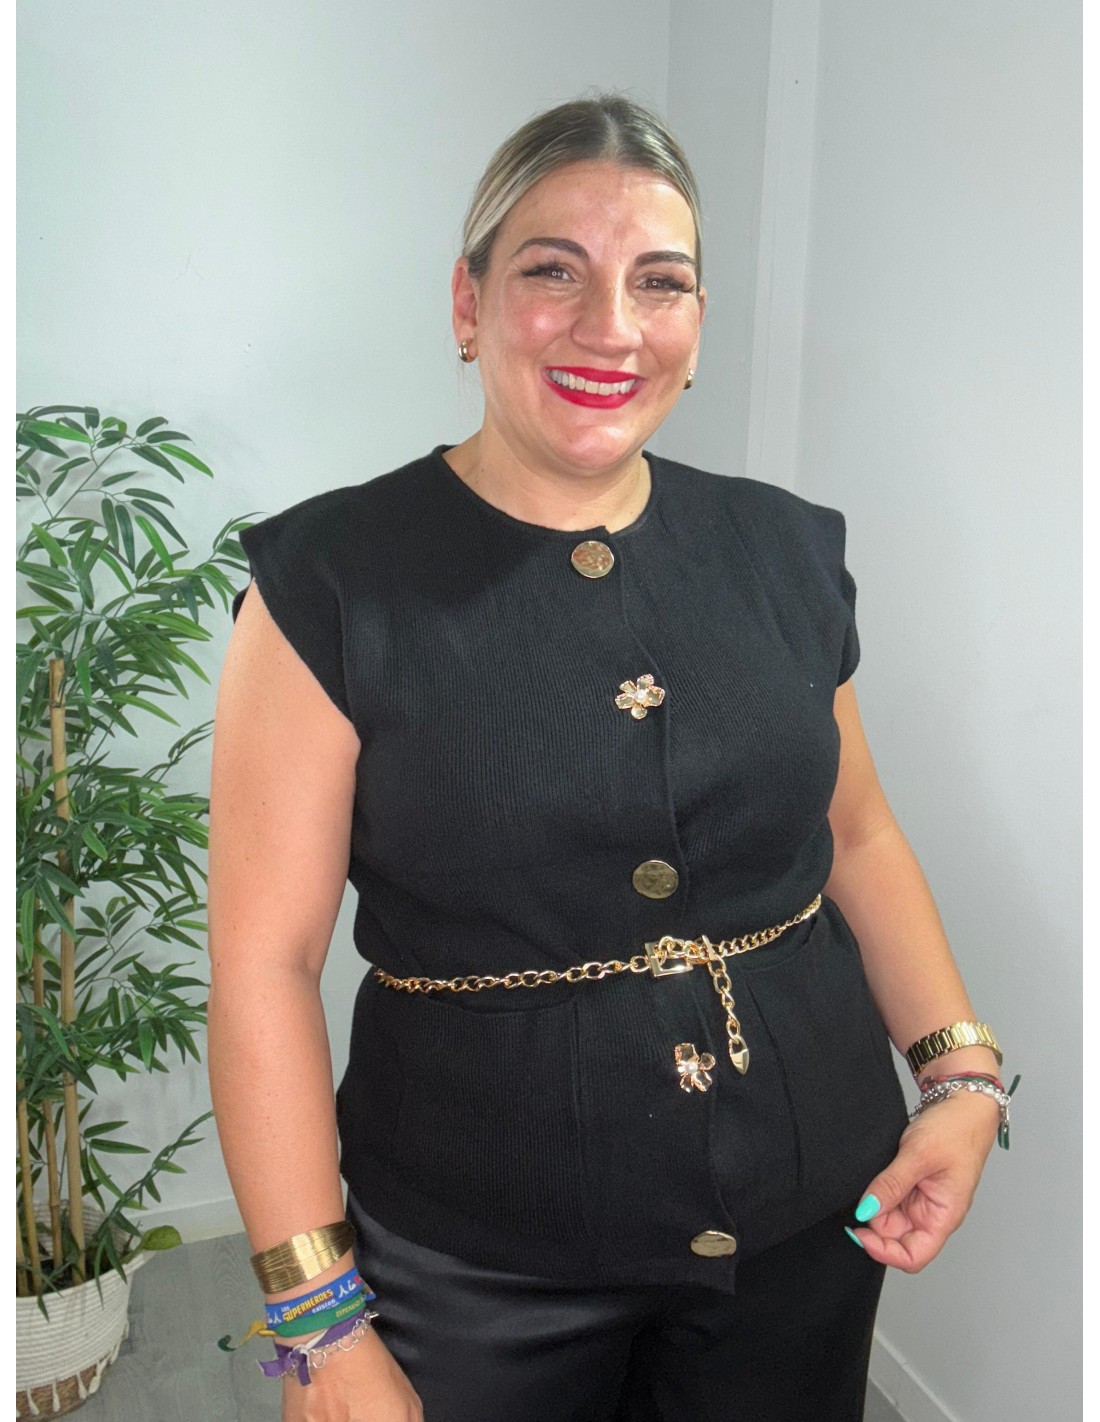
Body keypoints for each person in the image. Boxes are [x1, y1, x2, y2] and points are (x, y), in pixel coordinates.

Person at [207, 94, 1012, 1422]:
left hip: (807, 1214)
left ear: (696, 324)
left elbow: (858, 834)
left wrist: (961, 1076)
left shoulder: (785, 550)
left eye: (660, 281)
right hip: (478, 1253)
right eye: (553, 272)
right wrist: (317, 1322)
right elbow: (263, 965)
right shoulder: (330, 583)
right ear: (467, 305)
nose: (611, 327)